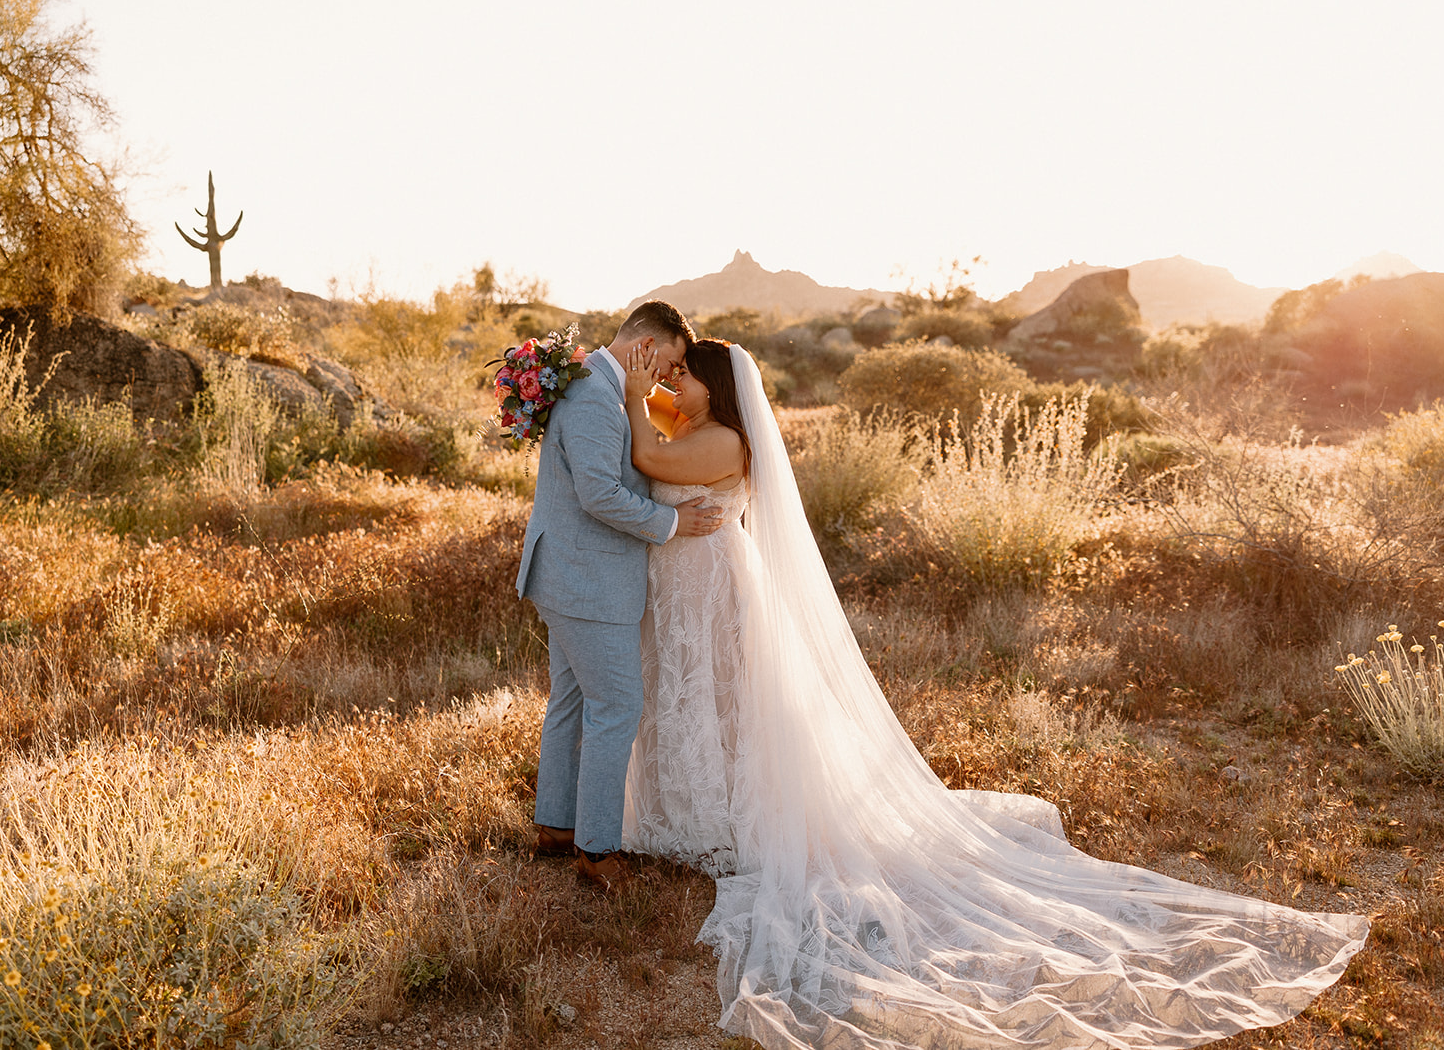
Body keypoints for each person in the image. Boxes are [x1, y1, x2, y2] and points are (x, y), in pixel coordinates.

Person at [618, 338, 1370, 1050]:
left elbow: (648, 452)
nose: (670, 383)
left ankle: (716, 820)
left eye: (682, 374)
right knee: (704, 700)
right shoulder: (692, 422)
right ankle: (693, 811)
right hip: (694, 587)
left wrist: (624, 383)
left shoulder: (718, 439)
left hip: (715, 585)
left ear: (716, 387)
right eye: (670, 374)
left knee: (723, 702)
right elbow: (649, 446)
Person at [516, 299, 724, 889]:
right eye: (671, 360)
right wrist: (673, 524)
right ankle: (598, 850)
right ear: (646, 344)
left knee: (573, 701)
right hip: (588, 581)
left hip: (570, 575)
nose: (668, 375)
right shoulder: (592, 396)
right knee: (617, 708)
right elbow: (600, 495)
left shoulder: (606, 386)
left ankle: (556, 828)